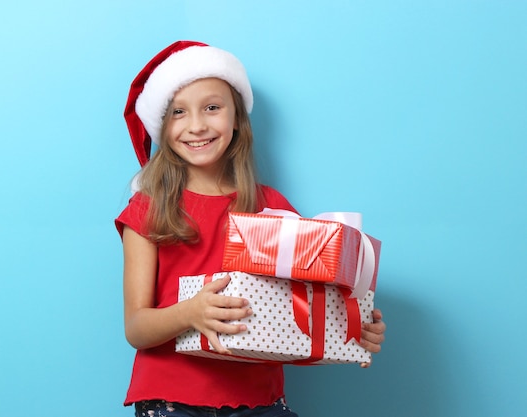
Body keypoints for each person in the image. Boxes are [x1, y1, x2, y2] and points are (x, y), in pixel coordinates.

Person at [116, 40, 386, 417]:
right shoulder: (148, 208)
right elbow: (136, 327)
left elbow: (305, 303)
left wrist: (352, 327)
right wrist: (190, 313)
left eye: (212, 107)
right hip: (172, 401)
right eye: (178, 112)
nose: (196, 125)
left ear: (237, 118)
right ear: (161, 125)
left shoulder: (272, 207)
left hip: (260, 402)